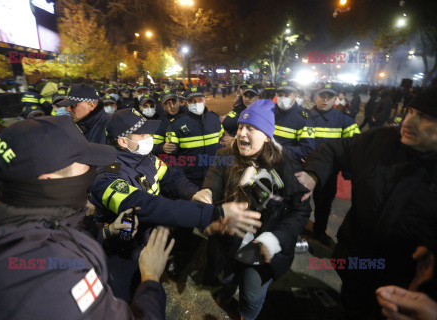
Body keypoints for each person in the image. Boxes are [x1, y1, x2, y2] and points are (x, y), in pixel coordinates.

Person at [0, 116, 174, 320]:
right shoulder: (57, 275)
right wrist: (150, 278)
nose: (91, 168)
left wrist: (106, 231)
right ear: (48, 180)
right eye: (82, 162)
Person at [88, 108, 262, 301]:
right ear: (122, 141)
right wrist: (207, 214)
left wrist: (194, 193)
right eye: (143, 133)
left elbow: (171, 177)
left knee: (151, 295)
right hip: (120, 251)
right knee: (126, 300)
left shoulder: (145, 158)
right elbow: (144, 205)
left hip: (145, 241)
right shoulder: (108, 175)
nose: (150, 137)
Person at [296, 88, 437, 319]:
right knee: (352, 304)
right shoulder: (380, 141)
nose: (408, 121)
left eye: (426, 117)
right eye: (410, 111)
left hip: (406, 283)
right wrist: (313, 174)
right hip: (355, 261)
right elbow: (333, 149)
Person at [194, 99, 311, 320]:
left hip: (261, 252)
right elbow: (212, 186)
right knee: (226, 280)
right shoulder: (224, 156)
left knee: (252, 296)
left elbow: (301, 210)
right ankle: (225, 295)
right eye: (240, 127)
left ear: (267, 135)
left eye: (251, 128)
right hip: (228, 241)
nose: (242, 134)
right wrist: (207, 195)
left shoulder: (285, 165)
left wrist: (274, 240)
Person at [310, 84, 360, 244]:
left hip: (328, 172)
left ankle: (319, 232)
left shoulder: (344, 120)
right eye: (322, 96)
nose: (325, 100)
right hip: (303, 169)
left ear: (335, 99)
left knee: (324, 204)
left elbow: (355, 147)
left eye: (329, 97)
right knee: (297, 203)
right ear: (315, 97)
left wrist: (349, 170)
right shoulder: (304, 116)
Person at [165, 86, 224, 187]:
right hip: (190, 180)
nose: (197, 103)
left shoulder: (214, 119)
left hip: (215, 177)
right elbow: (171, 158)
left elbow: (221, 144)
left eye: (199, 100)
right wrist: (182, 180)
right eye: (192, 101)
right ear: (186, 103)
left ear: (205, 100)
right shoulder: (176, 124)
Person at [273, 81, 315, 162]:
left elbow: (307, 149)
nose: (283, 98)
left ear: (295, 95)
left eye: (287, 95)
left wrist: (281, 149)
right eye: (280, 95)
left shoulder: (303, 118)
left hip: (287, 163)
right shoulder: (270, 111)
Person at [152, 89, 184, 156]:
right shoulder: (160, 123)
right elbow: (153, 146)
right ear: (162, 106)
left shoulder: (190, 116)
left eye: (174, 101)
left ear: (178, 101)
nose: (172, 106)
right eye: (167, 103)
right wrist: (162, 148)